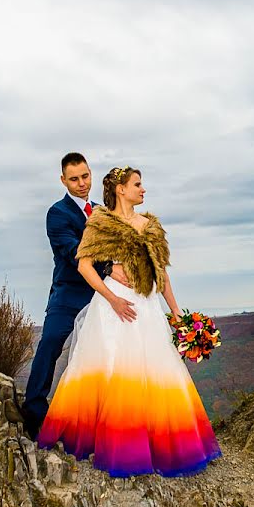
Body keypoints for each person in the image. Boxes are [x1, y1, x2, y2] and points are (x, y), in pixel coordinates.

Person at [37, 166, 221, 477]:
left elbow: (161, 275)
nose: (143, 190)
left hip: (146, 306)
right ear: (121, 189)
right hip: (114, 307)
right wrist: (112, 298)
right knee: (112, 372)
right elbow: (84, 266)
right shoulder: (101, 223)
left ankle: (156, 444)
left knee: (155, 374)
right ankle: (111, 442)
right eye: (137, 184)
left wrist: (177, 313)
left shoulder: (150, 225)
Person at [22, 152, 131, 441]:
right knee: (50, 343)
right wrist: (108, 266)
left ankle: (95, 419)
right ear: (63, 180)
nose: (81, 183)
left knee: (100, 353)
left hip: (102, 295)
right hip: (68, 293)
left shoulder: (102, 212)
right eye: (74, 179)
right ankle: (34, 413)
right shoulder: (57, 213)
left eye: (85, 176)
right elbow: (73, 252)